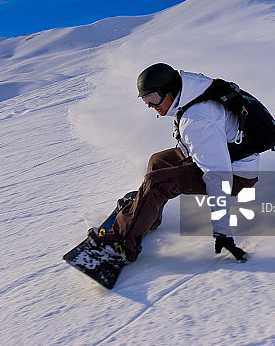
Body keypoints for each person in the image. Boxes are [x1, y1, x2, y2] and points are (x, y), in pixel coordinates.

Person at [99, 63, 259, 262]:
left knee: (156, 182)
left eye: (154, 98)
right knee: (158, 161)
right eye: (145, 100)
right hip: (223, 157)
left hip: (236, 176)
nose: (150, 105)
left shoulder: (197, 120)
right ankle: (148, 216)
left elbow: (218, 175)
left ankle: (120, 242)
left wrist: (222, 230)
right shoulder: (191, 91)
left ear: (170, 91)